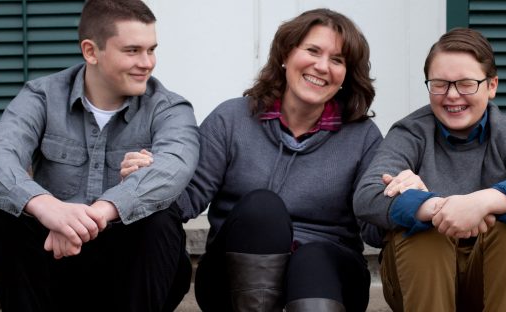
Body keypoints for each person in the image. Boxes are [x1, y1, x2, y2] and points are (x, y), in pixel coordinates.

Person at [120, 8, 380, 312]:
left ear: (346, 75)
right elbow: (187, 198)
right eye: (312, 51)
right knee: (262, 208)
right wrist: (149, 179)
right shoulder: (231, 119)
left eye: (337, 60)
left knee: (313, 258)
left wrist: (404, 196)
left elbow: (373, 225)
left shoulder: (362, 136)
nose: (322, 66)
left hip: (328, 275)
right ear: (285, 53)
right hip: (231, 277)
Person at [0, 0, 199, 311]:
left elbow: (176, 166)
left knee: (160, 216)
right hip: (56, 263)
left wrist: (95, 214)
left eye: (151, 49)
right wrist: (48, 208)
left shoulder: (169, 108)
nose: (148, 62)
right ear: (91, 51)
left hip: (129, 274)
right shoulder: (42, 96)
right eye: (132, 50)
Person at [353, 28, 506, 311]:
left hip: (491, 280)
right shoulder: (410, 133)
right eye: (440, 84)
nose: (452, 95)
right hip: (419, 283)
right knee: (423, 229)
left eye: (466, 84)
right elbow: (367, 195)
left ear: (492, 85)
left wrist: (482, 202)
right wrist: (434, 207)